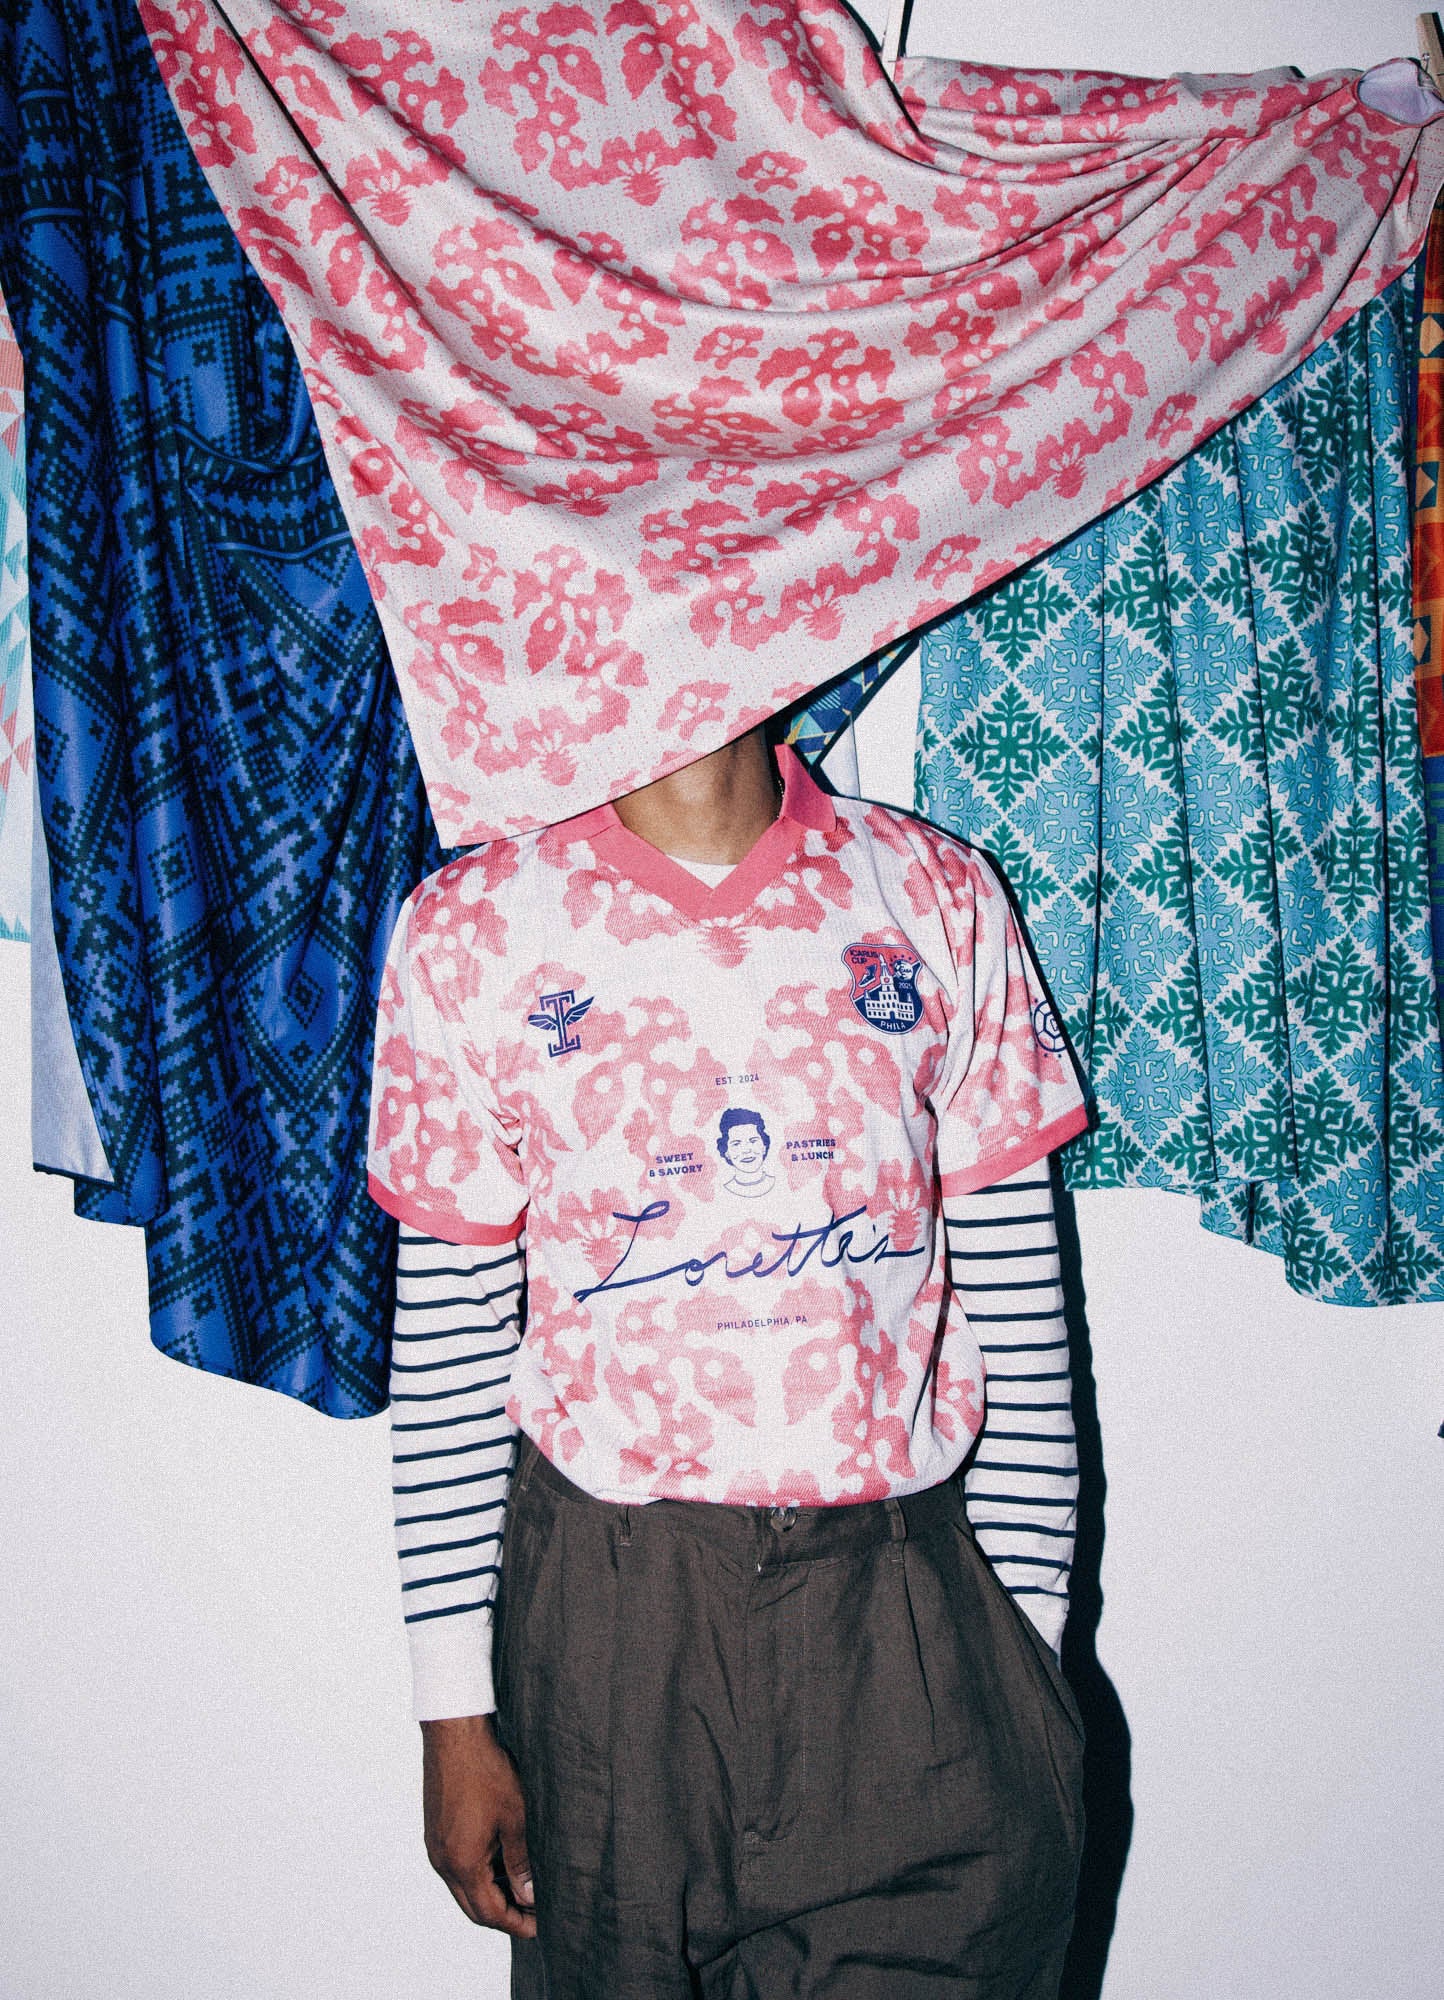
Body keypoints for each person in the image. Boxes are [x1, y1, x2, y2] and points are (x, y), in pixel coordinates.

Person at [367, 725, 1091, 1999]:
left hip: (910, 1616)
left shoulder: (932, 892)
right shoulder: (470, 928)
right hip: (613, 1630)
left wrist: (1025, 1663)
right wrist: (451, 1709)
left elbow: (1025, 1325)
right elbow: (448, 1352)